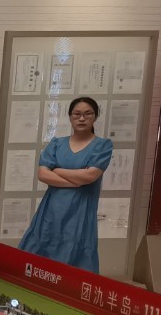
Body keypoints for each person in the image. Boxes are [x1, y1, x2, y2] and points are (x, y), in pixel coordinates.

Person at [19, 96, 112, 273]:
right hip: (51, 208)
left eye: (88, 114)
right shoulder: (57, 143)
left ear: (95, 117)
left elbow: (90, 176)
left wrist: (58, 170)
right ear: (70, 116)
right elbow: (42, 174)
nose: (82, 118)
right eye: (77, 114)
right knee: (40, 248)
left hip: (80, 209)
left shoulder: (102, 145)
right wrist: (76, 181)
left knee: (75, 255)